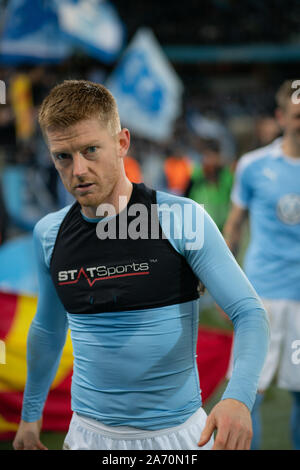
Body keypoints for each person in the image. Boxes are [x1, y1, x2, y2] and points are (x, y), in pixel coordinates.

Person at [13, 80, 269, 451]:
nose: (78, 170)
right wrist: (29, 416)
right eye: (62, 156)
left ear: (121, 143)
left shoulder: (181, 219)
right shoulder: (48, 234)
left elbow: (249, 313)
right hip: (85, 437)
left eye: (90, 150)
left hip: (177, 438)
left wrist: (238, 397)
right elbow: (48, 330)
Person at [223, 79, 300, 450]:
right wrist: (223, 289)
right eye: (298, 116)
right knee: (246, 393)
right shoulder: (253, 166)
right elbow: (233, 227)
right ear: (281, 117)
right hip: (261, 298)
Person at [184, 138, 233, 232]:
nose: (209, 161)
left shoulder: (227, 177)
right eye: (206, 156)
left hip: (222, 231)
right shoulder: (196, 177)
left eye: (212, 156)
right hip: (199, 231)